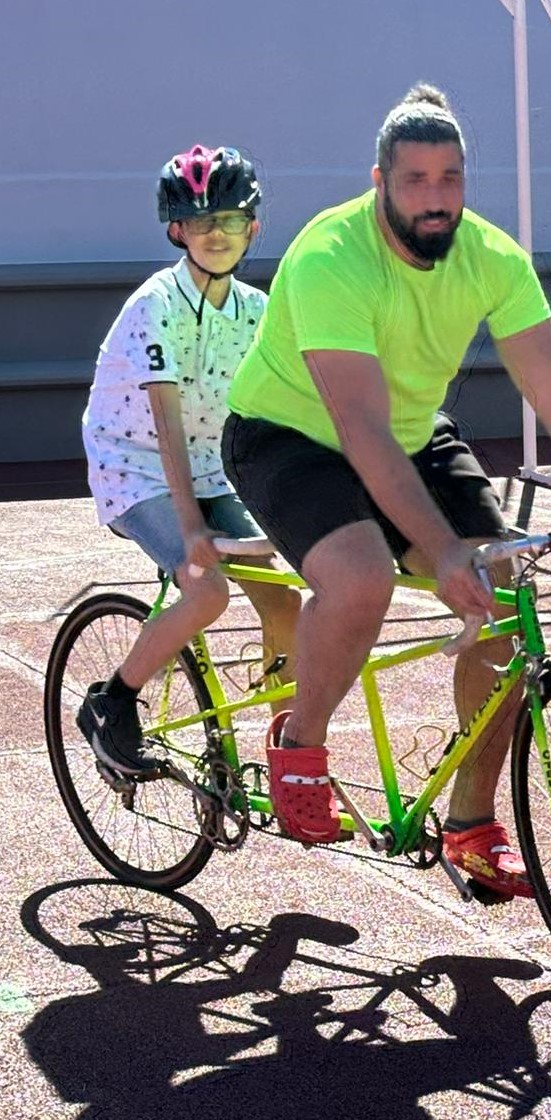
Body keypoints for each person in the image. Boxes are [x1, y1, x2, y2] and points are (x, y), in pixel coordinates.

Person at [221, 85, 551, 897]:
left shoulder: (493, 258)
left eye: (451, 179)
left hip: (407, 434)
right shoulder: (331, 256)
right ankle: (298, 744)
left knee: (499, 594)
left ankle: (470, 825)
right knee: (361, 577)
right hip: (290, 434)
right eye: (415, 181)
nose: (436, 199)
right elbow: (356, 430)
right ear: (379, 183)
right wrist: (436, 552)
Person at [78, 144, 299, 777]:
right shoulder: (157, 305)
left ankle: (291, 759)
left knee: (287, 602)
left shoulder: (257, 311)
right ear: (177, 230)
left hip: (213, 466)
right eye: (202, 222)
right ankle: (111, 702)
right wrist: (194, 527)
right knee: (207, 592)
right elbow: (166, 426)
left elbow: (287, 410)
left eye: (231, 219)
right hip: (137, 464)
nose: (218, 233)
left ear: (252, 227)